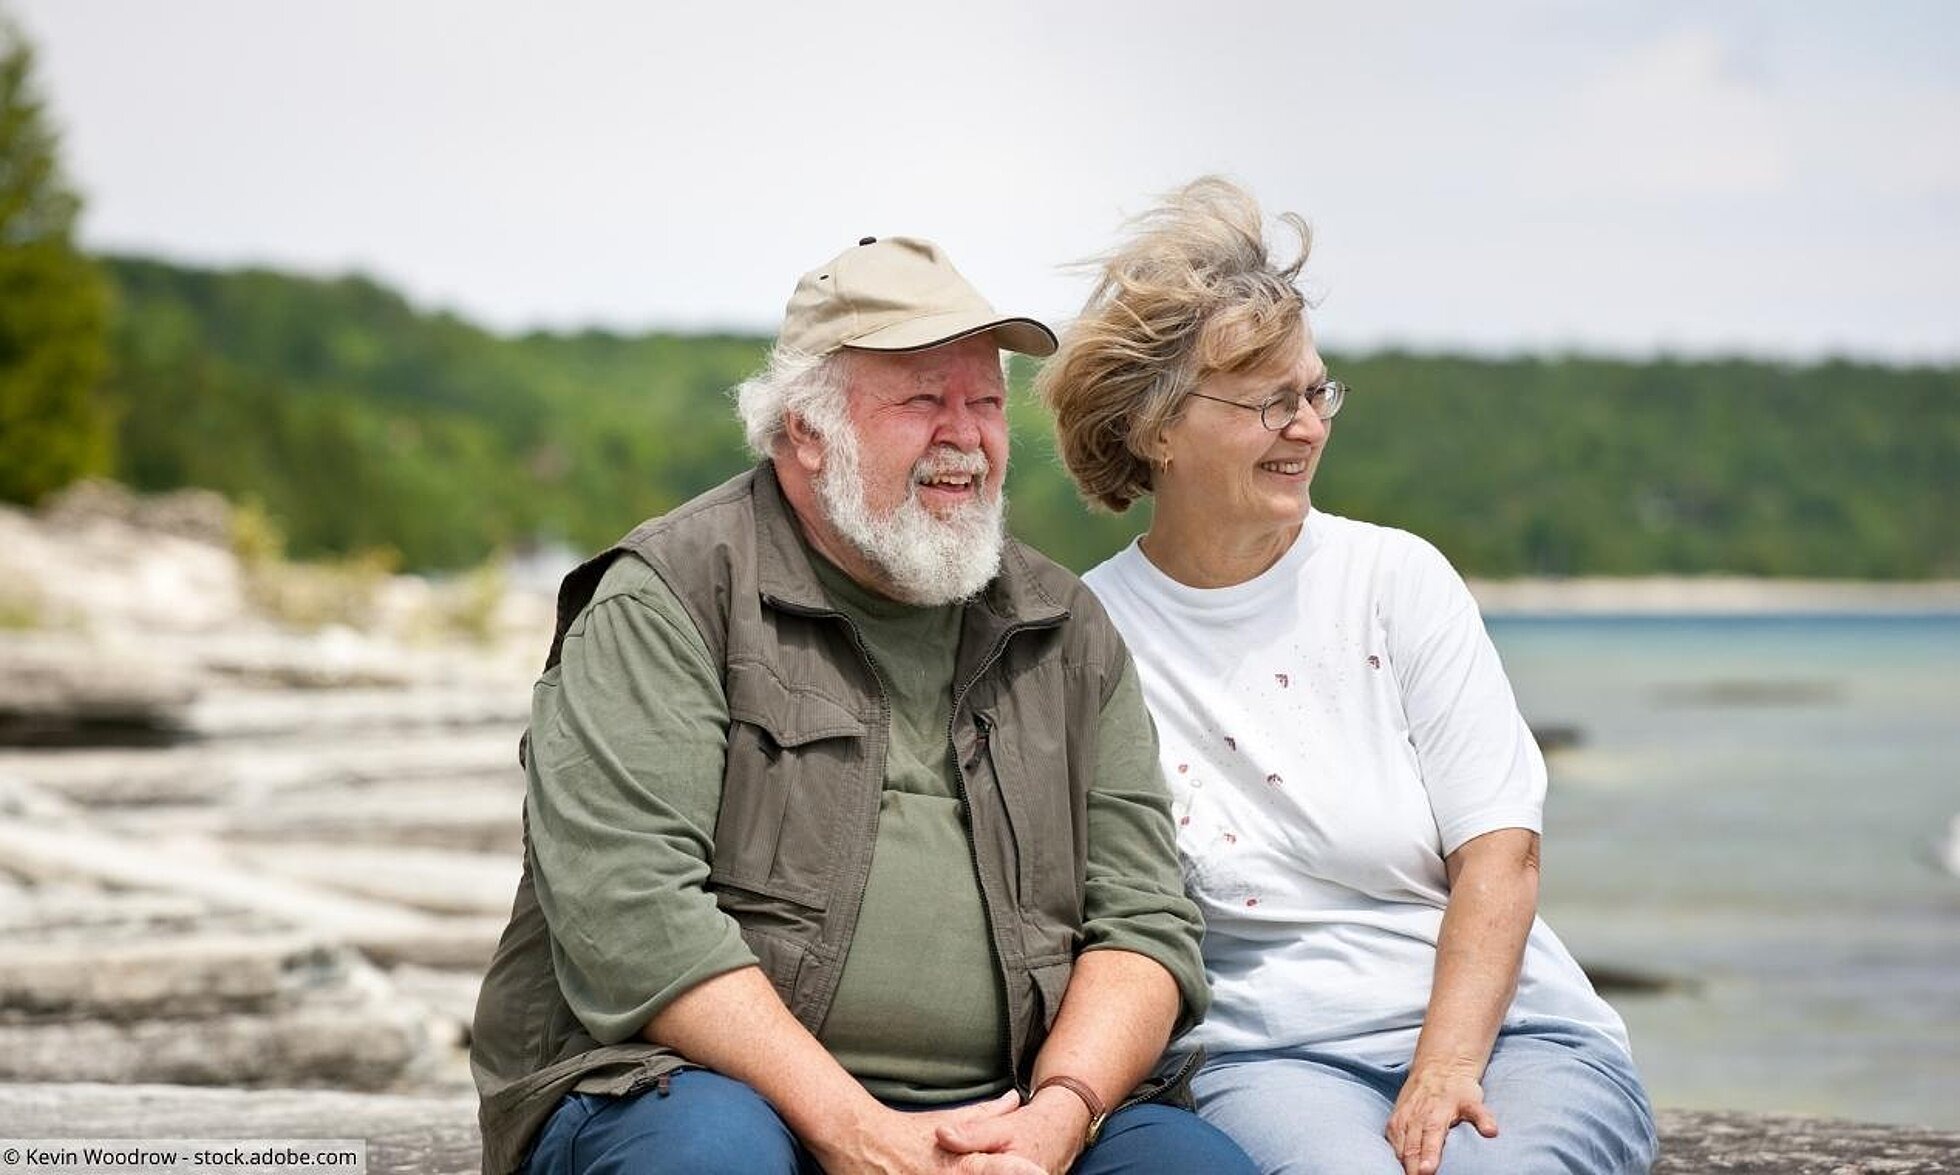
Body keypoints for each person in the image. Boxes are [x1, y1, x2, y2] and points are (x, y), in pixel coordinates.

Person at [469, 235, 1258, 1175]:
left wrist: (1057, 1118)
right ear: (806, 429)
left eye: (986, 402)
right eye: (924, 400)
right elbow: (632, 917)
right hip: (690, 1088)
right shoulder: (672, 596)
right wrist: (858, 1132)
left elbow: (1144, 923)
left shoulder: (1063, 627)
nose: (966, 435)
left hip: (1016, 1111)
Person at [1036, 178, 1658, 1175]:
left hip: (1510, 1034)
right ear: (1154, 428)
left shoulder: (1395, 577)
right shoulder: (1084, 635)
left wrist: (1444, 1063)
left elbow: (1500, 851)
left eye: (1315, 391)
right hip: (1268, 1058)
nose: (1307, 426)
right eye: (1267, 400)